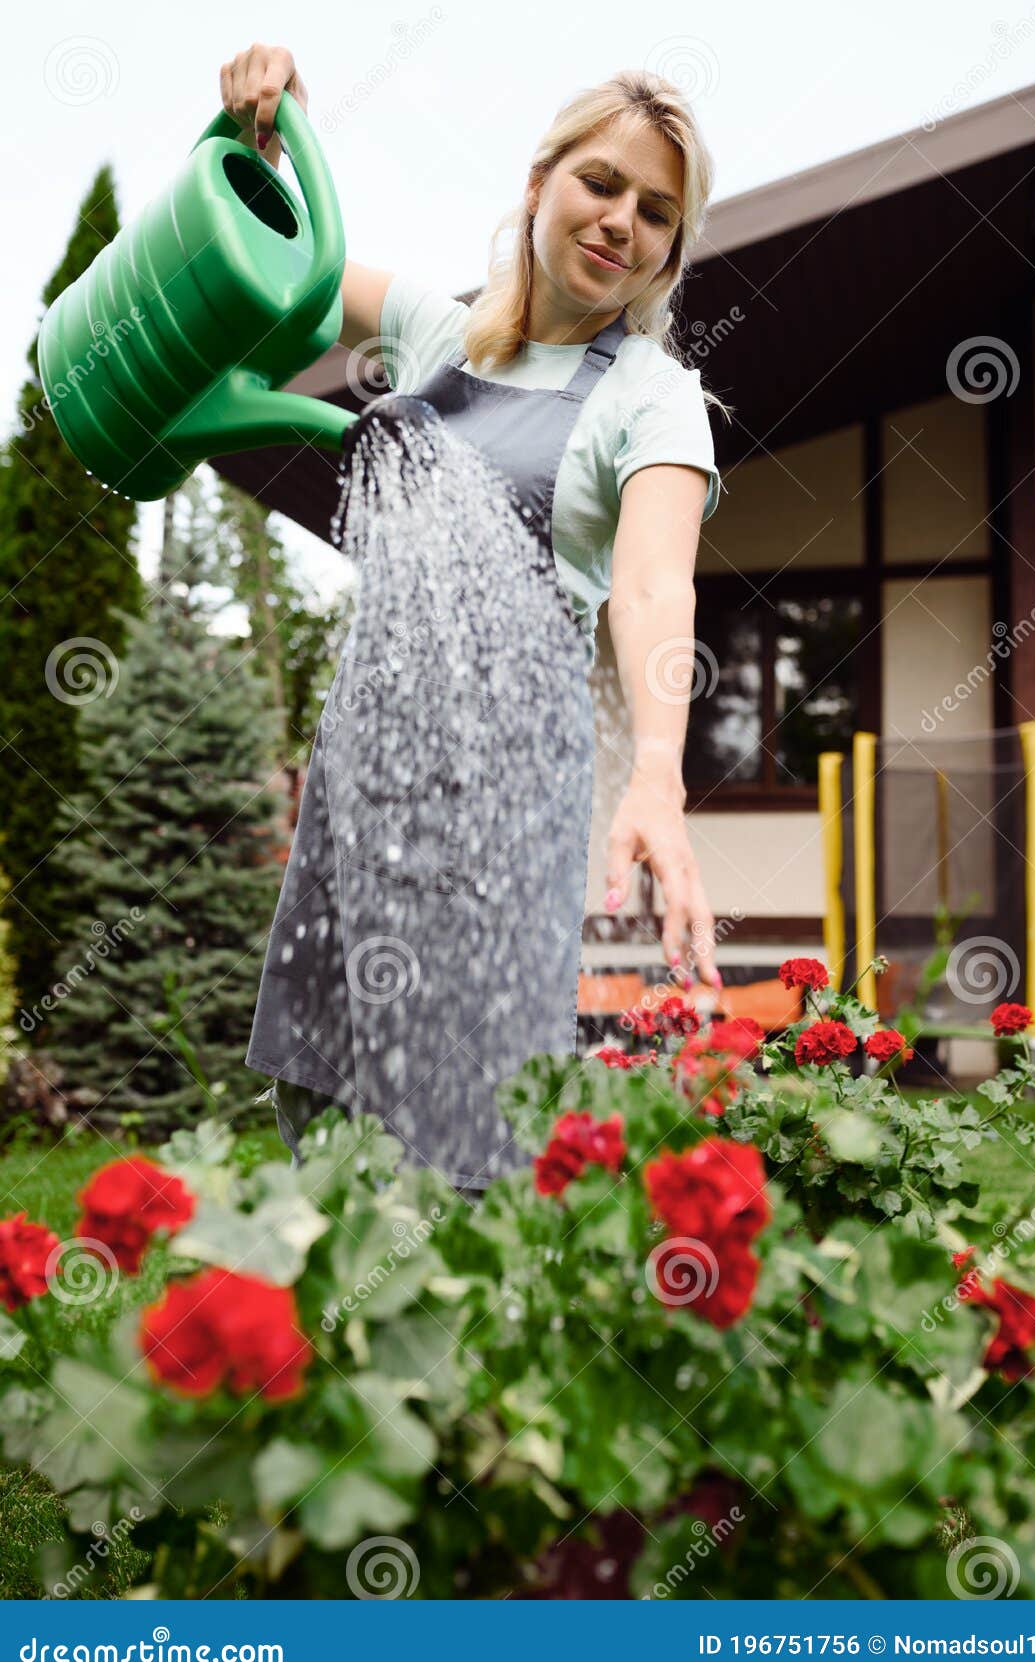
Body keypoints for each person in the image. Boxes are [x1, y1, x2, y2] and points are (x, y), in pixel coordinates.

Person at [224, 43, 728, 1190]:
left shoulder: (653, 399)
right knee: (324, 1070)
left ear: (670, 249)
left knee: (470, 1099)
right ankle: (350, 1331)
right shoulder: (437, 337)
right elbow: (282, 261)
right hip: (365, 763)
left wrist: (658, 769)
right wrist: (271, 138)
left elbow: (655, 585)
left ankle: (477, 1331)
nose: (620, 223)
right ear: (542, 179)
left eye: (657, 213)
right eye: (603, 183)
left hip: (499, 783)